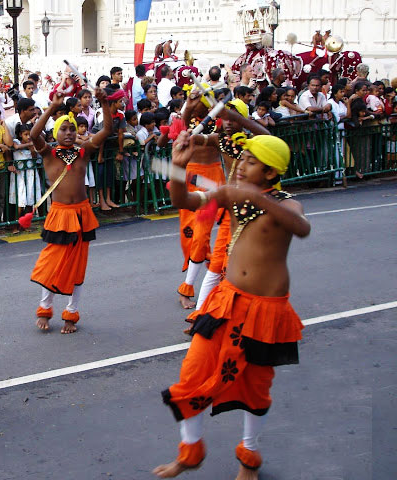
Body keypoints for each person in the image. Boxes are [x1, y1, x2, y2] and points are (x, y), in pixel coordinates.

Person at [153, 130, 309, 480]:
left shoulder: (285, 203)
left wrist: (253, 196)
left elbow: (302, 227)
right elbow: (186, 201)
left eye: (251, 162)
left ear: (270, 173)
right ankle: (190, 452)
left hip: (266, 313)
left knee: (255, 387)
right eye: (241, 158)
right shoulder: (227, 195)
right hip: (225, 303)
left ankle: (249, 459)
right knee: (192, 372)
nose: (240, 164)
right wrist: (178, 168)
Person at [29, 88, 114, 334]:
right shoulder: (49, 154)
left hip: (82, 214)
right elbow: (35, 135)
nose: (68, 133)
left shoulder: (83, 151)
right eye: (63, 130)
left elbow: (107, 131)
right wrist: (52, 108)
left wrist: (104, 102)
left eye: (72, 129)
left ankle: (71, 314)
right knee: (51, 263)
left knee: (78, 267)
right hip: (59, 215)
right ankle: (44, 309)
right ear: (56, 133)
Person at [184, 99, 271, 326]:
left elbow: (268, 134)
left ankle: (245, 316)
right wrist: (186, 134)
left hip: (250, 213)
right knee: (215, 268)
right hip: (231, 211)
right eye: (226, 118)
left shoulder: (255, 145)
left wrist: (242, 119)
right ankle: (199, 318)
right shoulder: (219, 139)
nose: (229, 124)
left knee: (241, 268)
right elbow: (195, 137)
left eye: (234, 119)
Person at [173, 87, 225, 309]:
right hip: (192, 177)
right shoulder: (186, 120)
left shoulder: (220, 122)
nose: (198, 102)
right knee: (193, 235)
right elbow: (183, 123)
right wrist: (190, 98)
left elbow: (213, 137)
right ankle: (193, 283)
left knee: (214, 232)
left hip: (214, 178)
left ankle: (193, 284)